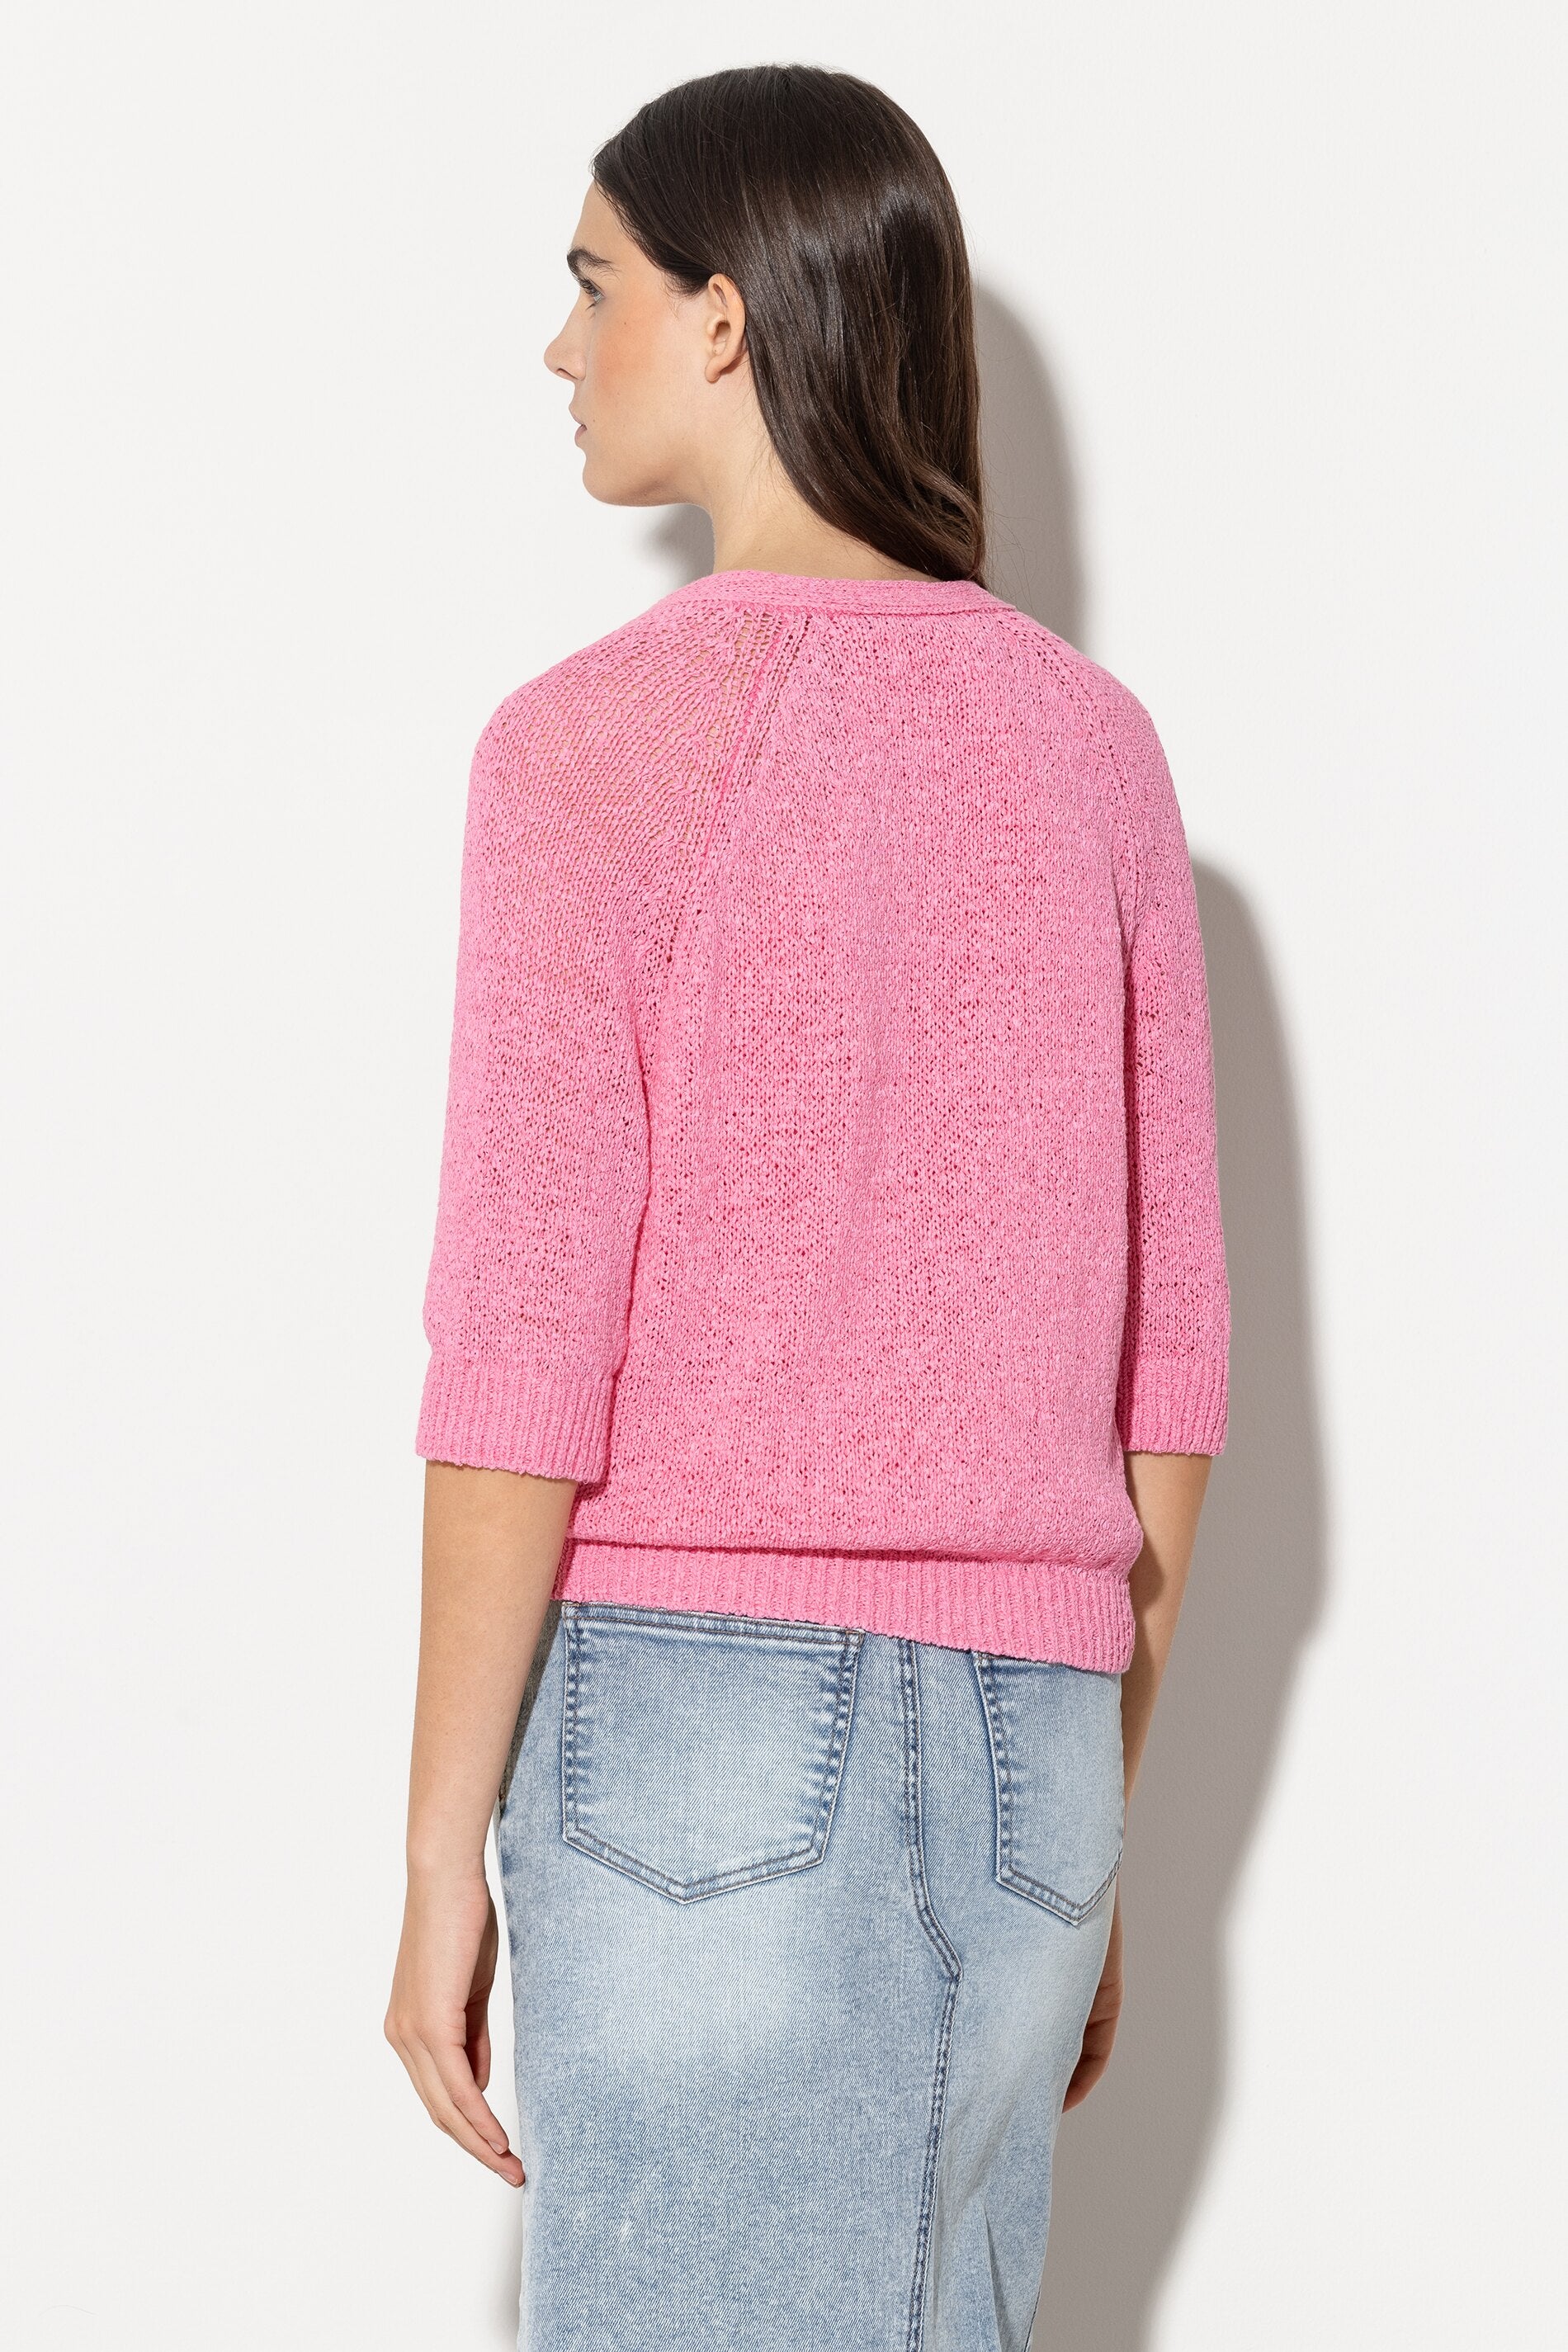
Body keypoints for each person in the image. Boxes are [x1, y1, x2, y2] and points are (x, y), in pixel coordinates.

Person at [385, 61, 1228, 2352]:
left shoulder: (585, 746)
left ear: (726, 317)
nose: (560, 344)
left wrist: (440, 1851)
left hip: (696, 1729)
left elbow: (523, 1353)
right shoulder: (1093, 748)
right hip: (1038, 1735)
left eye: (592, 284)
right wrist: (1084, 1796)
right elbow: (1170, 1371)